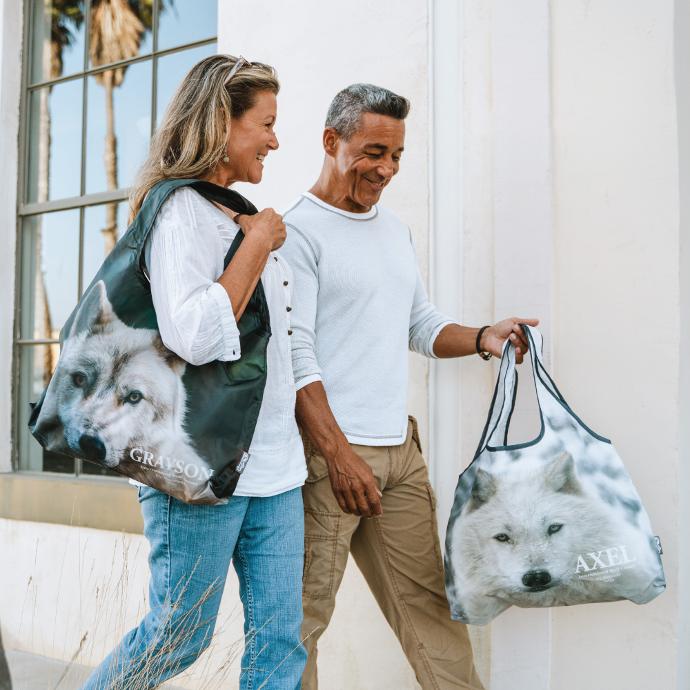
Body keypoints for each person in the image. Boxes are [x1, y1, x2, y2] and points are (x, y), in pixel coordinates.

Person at [281, 83, 539, 690]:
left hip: (399, 455)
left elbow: (419, 324)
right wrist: (340, 457)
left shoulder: (394, 231)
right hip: (330, 460)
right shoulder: (296, 234)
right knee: (298, 624)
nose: (387, 169)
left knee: (430, 610)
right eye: (374, 151)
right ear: (331, 141)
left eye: (396, 155)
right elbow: (296, 357)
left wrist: (483, 337)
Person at [82, 55, 307, 690]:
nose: (274, 138)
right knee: (178, 635)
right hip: (198, 459)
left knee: (279, 644)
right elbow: (198, 336)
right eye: (264, 123)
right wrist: (259, 242)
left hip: (275, 468)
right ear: (221, 123)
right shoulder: (178, 210)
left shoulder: (231, 211)